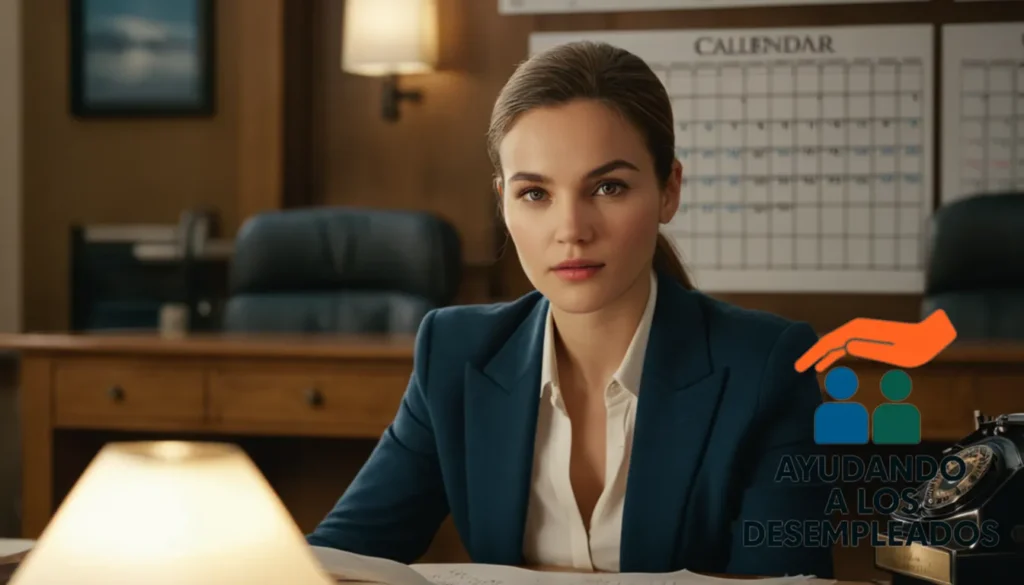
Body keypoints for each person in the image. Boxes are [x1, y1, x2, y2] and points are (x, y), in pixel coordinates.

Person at [307, 40, 833, 579]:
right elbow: (335, 559)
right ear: (504, 202)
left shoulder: (767, 367)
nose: (572, 231)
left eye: (608, 187)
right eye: (535, 193)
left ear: (669, 190)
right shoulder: (455, 354)